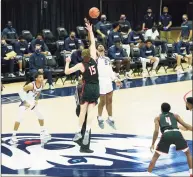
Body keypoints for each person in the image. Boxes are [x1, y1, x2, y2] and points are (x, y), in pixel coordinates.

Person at [65, 23, 99, 148]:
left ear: (82, 56)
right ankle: (88, 131)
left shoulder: (81, 65)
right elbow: (93, 44)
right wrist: (90, 31)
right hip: (96, 88)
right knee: (91, 111)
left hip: (87, 87)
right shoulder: (94, 60)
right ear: (89, 55)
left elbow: (66, 72)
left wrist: (67, 63)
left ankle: (79, 131)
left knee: (83, 111)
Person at [148, 103, 192, 177]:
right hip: (177, 133)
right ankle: (191, 172)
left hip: (166, 134)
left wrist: (153, 143)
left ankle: (148, 174)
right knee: (187, 153)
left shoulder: (158, 118)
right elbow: (185, 125)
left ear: (161, 109)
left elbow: (156, 131)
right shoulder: (175, 116)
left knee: (155, 157)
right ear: (169, 109)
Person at [9, 72, 51, 144]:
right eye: (40, 77)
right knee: (20, 118)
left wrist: (36, 100)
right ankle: (13, 136)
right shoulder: (31, 85)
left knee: (40, 115)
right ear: (36, 78)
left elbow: (39, 92)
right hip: (25, 101)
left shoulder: (43, 84)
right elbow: (20, 92)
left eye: (42, 77)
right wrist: (25, 102)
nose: (42, 78)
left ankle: (42, 131)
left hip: (32, 102)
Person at [97, 43, 122, 130]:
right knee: (102, 102)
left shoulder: (107, 59)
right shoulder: (95, 60)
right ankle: (99, 117)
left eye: (102, 48)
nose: (101, 49)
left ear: (104, 50)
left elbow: (111, 71)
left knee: (110, 101)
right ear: (96, 51)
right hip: (101, 81)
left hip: (108, 81)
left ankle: (110, 118)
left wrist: (115, 80)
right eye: (99, 48)